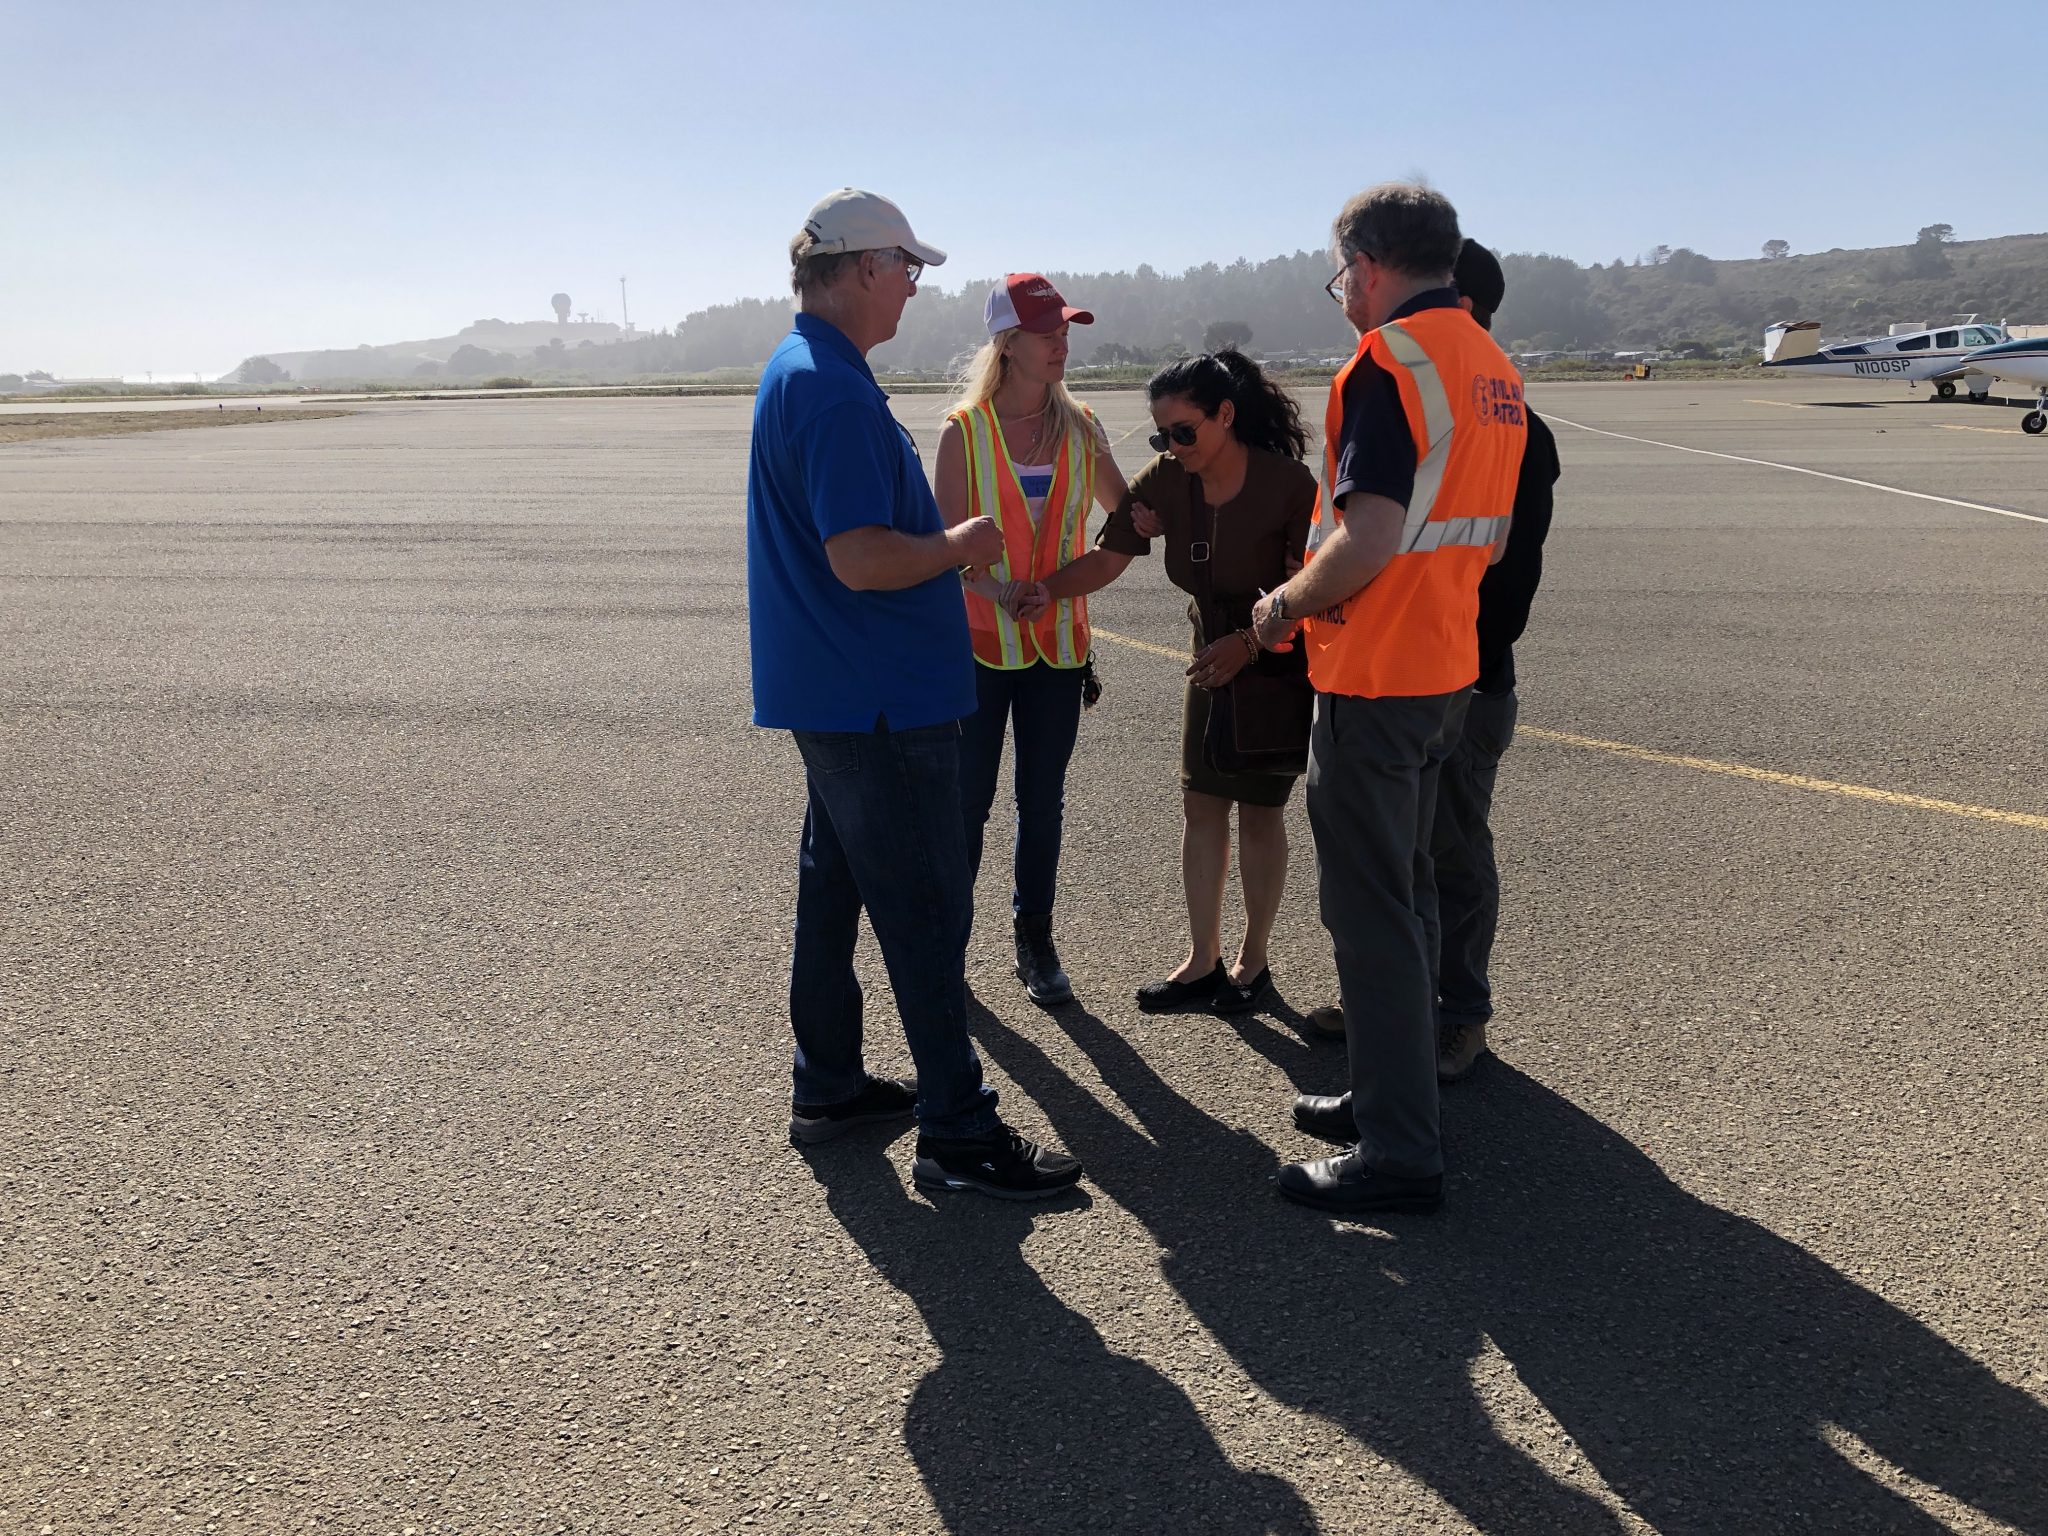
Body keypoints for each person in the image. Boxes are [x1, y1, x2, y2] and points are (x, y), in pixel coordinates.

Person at [746, 188, 1082, 1200]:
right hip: (882, 701)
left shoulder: (801, 367)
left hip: (838, 694)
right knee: (926, 912)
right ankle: (957, 1130)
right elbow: (857, 557)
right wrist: (960, 545)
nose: (914, 287)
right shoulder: (835, 391)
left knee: (834, 893)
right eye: (907, 268)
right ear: (859, 270)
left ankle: (831, 1084)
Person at [1249, 183, 1526, 1215]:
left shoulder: (1387, 364)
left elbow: (1365, 535)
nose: (1341, 297)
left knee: (1371, 915)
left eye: (1339, 277)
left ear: (1365, 265)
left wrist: (1280, 605)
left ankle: (1399, 1152)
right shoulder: (1491, 369)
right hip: (1445, 664)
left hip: (1374, 673)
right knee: (1407, 899)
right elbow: (1481, 537)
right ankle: (1383, 1094)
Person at [1303, 240, 1561, 1088]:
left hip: (1448, 673)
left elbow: (1496, 569)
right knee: (1407, 867)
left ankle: (1456, 1013)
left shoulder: (1474, 403)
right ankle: (1397, 1020)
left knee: (1444, 856)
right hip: (1437, 666)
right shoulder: (1477, 392)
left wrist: (1288, 608)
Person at [1040, 350, 1317, 1015]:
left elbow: (1308, 593)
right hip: (1209, 655)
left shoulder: (1289, 486)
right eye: (1163, 435)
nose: (1172, 446)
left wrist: (1251, 643)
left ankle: (1253, 964)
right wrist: (1039, 592)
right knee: (1201, 805)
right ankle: (1202, 961)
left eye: (1184, 432)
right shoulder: (1167, 481)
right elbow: (1108, 558)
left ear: (1226, 415)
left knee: (1259, 812)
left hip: (1274, 659)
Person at [936, 274, 1132, 1008]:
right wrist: (994, 590)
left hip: (1058, 644)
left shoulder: (1082, 424)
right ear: (1008, 343)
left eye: (1066, 330)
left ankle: (1034, 940)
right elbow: (943, 551)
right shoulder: (965, 431)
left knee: (1041, 802)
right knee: (967, 803)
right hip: (981, 647)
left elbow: (1125, 514)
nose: (1063, 343)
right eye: (1048, 332)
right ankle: (947, 946)